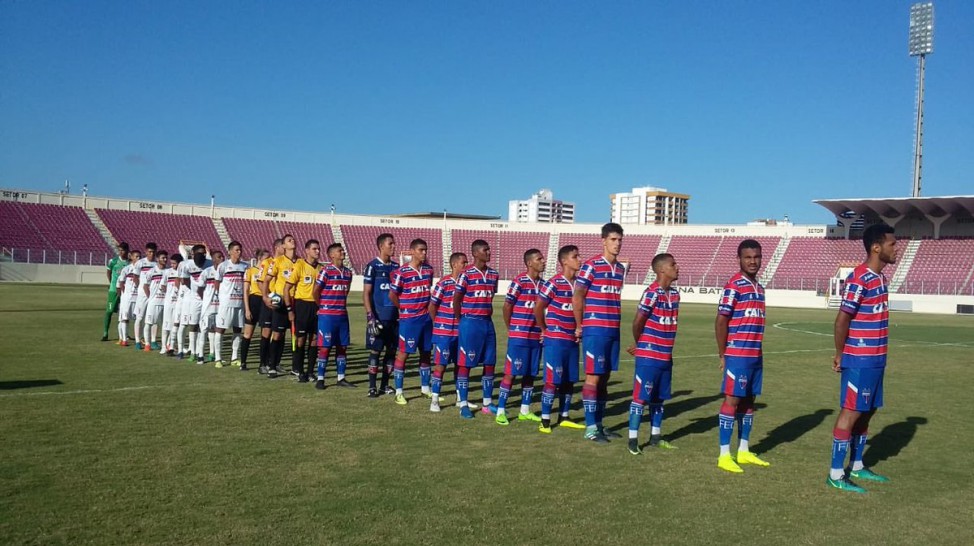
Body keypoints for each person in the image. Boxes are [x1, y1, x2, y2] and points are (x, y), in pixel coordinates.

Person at [827, 224, 897, 493]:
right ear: (876, 247)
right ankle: (835, 473)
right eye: (892, 244)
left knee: (868, 411)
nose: (896, 248)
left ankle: (857, 465)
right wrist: (840, 353)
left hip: (878, 358)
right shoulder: (859, 278)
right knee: (851, 411)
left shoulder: (881, 279)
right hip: (859, 357)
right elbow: (842, 319)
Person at [715, 239, 771, 473]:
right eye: (748, 257)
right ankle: (724, 454)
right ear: (739, 259)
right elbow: (721, 320)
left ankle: (744, 450)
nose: (753, 261)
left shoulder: (759, 288)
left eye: (756, 257)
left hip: (755, 354)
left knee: (749, 401)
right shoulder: (734, 285)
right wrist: (723, 353)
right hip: (737, 353)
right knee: (732, 400)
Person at [573, 223, 625, 444]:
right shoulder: (591, 265)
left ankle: (601, 424)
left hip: (613, 329)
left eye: (620, 240)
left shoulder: (621, 269)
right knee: (593, 377)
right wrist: (579, 325)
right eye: (613, 239)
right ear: (603, 240)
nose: (617, 244)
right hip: (595, 329)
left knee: (604, 377)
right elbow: (578, 295)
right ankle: (590, 427)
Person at [626, 253, 680, 455]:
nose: (677, 267)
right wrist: (641, 344)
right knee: (641, 397)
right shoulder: (651, 293)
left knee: (659, 398)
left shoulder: (675, 294)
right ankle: (633, 439)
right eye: (673, 264)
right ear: (662, 270)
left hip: (666, 355)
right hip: (649, 356)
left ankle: (655, 437)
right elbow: (638, 321)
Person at [534, 244, 586, 433]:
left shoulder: (580, 285)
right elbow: (538, 307)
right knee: (552, 380)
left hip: (572, 340)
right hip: (555, 339)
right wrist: (544, 329)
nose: (579, 259)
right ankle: (545, 420)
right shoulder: (554, 283)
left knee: (569, 379)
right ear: (564, 261)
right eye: (575, 256)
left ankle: (564, 416)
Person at [495, 248, 546, 425]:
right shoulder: (519, 282)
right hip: (520, 336)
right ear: (529, 262)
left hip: (536, 336)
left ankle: (525, 410)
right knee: (511, 373)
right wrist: (512, 329)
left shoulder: (544, 284)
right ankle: (501, 411)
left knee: (530, 374)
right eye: (539, 259)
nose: (543, 261)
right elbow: (506, 307)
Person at [453, 239, 500, 420]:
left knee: (490, 363)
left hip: (487, 323)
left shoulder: (493, 274)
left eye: (489, 249)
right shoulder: (466, 274)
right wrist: (461, 320)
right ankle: (463, 404)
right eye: (485, 250)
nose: (489, 252)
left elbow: (491, 295)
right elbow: (457, 299)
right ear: (475, 253)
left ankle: (487, 403)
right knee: (466, 363)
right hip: (470, 322)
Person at [388, 239, 435, 405]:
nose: (424, 253)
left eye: (425, 250)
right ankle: (399, 392)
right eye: (421, 250)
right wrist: (404, 308)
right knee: (404, 353)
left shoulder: (429, 270)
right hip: (409, 320)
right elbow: (392, 295)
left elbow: (428, 291)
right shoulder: (402, 272)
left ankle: (425, 389)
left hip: (425, 319)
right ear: (412, 251)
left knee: (426, 352)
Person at [428, 252, 472, 413]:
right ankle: (434, 400)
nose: (466, 265)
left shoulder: (467, 283)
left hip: (461, 332)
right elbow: (432, 306)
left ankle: (460, 399)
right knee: (441, 366)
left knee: (461, 365)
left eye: (467, 262)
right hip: (444, 333)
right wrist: (438, 323)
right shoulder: (444, 283)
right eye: (463, 262)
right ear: (454, 265)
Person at [312, 243, 353, 389]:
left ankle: (341, 377)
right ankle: (321, 379)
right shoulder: (326, 271)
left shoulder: (348, 273)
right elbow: (316, 291)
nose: (342, 252)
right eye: (339, 251)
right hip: (327, 316)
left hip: (342, 315)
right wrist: (321, 306)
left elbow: (345, 291)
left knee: (342, 347)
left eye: (342, 250)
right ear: (332, 255)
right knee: (325, 347)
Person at [362, 233, 399, 397]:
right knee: (375, 351)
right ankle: (372, 386)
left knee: (391, 352)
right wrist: (370, 316)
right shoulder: (372, 266)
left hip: (394, 318)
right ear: (381, 246)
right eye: (390, 244)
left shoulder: (397, 268)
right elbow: (366, 293)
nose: (393, 246)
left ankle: (384, 385)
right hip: (378, 318)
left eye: (393, 244)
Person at [284, 239, 323, 382]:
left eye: (318, 249)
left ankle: (310, 371)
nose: (317, 251)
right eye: (314, 249)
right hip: (302, 306)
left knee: (314, 340)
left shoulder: (320, 268)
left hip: (316, 307)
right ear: (307, 250)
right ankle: (299, 371)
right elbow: (286, 289)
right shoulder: (299, 265)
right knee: (300, 340)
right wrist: (290, 310)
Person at [261, 235, 297, 377]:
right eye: (289, 240)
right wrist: (265, 297)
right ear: (283, 246)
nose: (292, 241)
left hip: (296, 301)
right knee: (277, 334)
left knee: (289, 335)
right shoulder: (277, 262)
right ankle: (271, 365)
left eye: (293, 239)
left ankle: (280, 364)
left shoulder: (299, 261)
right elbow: (266, 280)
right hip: (281, 300)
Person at [214, 242, 249, 368]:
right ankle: (218, 358)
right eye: (236, 250)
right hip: (226, 303)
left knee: (237, 330)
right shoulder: (223, 266)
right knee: (220, 329)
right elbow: (217, 282)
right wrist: (221, 297)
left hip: (239, 303)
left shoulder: (245, 266)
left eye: (240, 250)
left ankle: (234, 357)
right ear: (229, 252)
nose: (239, 252)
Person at [256, 240, 283, 373]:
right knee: (266, 332)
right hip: (269, 301)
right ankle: (263, 364)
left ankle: (275, 363)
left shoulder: (287, 263)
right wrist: (266, 297)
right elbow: (260, 282)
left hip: (281, 302)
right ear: (277, 247)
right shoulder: (266, 263)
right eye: (283, 246)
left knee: (280, 333)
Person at [178, 244, 209, 362]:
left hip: (207, 300)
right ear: (193, 254)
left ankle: (203, 351)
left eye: (204, 253)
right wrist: (196, 291)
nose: (202, 255)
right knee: (193, 325)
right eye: (200, 253)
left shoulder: (209, 263)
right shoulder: (186, 265)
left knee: (206, 326)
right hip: (192, 300)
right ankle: (193, 352)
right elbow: (184, 281)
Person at [240, 248, 269, 371]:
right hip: (253, 302)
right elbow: (246, 291)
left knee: (265, 333)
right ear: (259, 258)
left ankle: (263, 363)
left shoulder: (268, 272)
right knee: (248, 334)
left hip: (264, 301)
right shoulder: (250, 271)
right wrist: (247, 309)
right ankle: (243, 362)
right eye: (266, 258)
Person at [198, 251, 224, 364]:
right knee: (204, 330)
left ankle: (214, 354)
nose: (222, 259)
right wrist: (207, 300)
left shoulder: (226, 272)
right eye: (219, 257)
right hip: (208, 307)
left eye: (222, 257)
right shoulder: (206, 272)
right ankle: (200, 355)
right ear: (213, 259)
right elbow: (200, 289)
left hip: (221, 307)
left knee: (218, 331)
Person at [142, 250, 169, 352]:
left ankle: (164, 344)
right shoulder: (151, 272)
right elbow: (145, 286)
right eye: (163, 258)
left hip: (165, 302)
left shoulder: (168, 271)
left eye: (166, 258)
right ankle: (147, 344)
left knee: (164, 324)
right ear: (157, 259)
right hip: (154, 302)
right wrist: (150, 297)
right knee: (148, 323)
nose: (165, 260)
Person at [132, 242, 157, 350]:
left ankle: (153, 341)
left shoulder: (157, 264)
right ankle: (138, 341)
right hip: (142, 295)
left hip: (154, 295)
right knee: (140, 317)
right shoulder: (140, 263)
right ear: (146, 252)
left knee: (154, 318)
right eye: (150, 252)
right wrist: (140, 288)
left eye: (153, 252)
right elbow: (135, 277)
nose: (151, 254)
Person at [103, 242, 129, 341]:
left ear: (127, 251)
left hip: (125, 291)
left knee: (124, 313)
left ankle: (124, 334)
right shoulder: (113, 261)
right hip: (113, 290)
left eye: (122, 250)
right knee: (109, 311)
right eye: (119, 250)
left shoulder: (130, 263)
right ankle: (105, 333)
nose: (121, 252)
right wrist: (111, 283)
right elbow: (108, 272)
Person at [116, 250, 142, 347]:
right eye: (137, 256)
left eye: (140, 256)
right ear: (131, 257)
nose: (139, 258)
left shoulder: (142, 270)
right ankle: (124, 339)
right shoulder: (126, 269)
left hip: (138, 298)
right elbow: (120, 283)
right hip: (127, 299)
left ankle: (139, 339)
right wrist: (124, 295)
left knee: (138, 319)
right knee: (125, 319)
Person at [160, 253, 183, 356]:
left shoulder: (183, 272)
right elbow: (162, 286)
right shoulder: (167, 272)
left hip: (179, 303)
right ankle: (163, 346)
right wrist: (169, 294)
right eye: (172, 263)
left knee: (176, 325)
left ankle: (172, 345)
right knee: (166, 325)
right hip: (169, 303)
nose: (173, 265)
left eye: (174, 263)